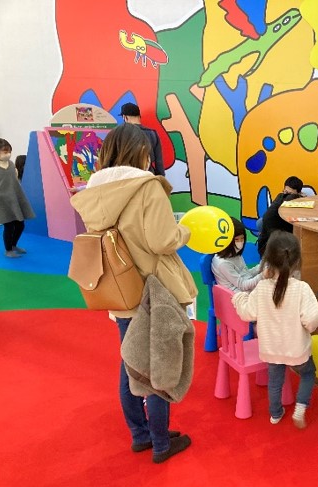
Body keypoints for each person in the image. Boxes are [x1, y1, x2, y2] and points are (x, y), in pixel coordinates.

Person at [70, 123, 197, 463]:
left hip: (119, 289)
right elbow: (162, 240)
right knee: (158, 367)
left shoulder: (94, 191)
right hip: (154, 291)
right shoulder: (147, 186)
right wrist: (184, 230)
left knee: (131, 364)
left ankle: (141, 435)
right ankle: (161, 444)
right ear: (141, 152)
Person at [232, 230, 318, 428]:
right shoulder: (302, 288)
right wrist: (307, 328)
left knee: (274, 382)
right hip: (297, 350)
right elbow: (312, 320)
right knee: (308, 373)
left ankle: (275, 414)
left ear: (268, 260)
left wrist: (239, 298)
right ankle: (300, 407)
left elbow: (247, 313)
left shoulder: (262, 288)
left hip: (271, 349)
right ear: (297, 260)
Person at [0, 139, 35, 257]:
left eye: (9, 151)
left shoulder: (11, 164)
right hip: (1, 200)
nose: (8, 154)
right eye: (5, 151)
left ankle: (13, 245)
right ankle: (8, 250)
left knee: (20, 224)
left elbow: (14, 180)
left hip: (14, 197)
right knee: (9, 226)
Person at [256, 176, 304, 257]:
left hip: (266, 238)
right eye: (285, 192)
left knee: (260, 223)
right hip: (272, 244)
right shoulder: (290, 199)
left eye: (289, 194)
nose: (286, 195)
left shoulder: (280, 197)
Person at [211, 216, 262, 292]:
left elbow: (246, 275)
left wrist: (262, 266)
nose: (240, 242)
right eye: (236, 239)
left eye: (242, 239)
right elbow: (243, 285)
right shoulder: (223, 263)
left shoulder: (235, 254)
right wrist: (263, 275)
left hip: (246, 291)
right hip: (237, 296)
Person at [120, 102, 165, 176]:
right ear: (139, 116)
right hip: (148, 175)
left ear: (125, 117)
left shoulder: (122, 134)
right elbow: (159, 162)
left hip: (129, 176)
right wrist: (160, 177)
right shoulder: (152, 133)